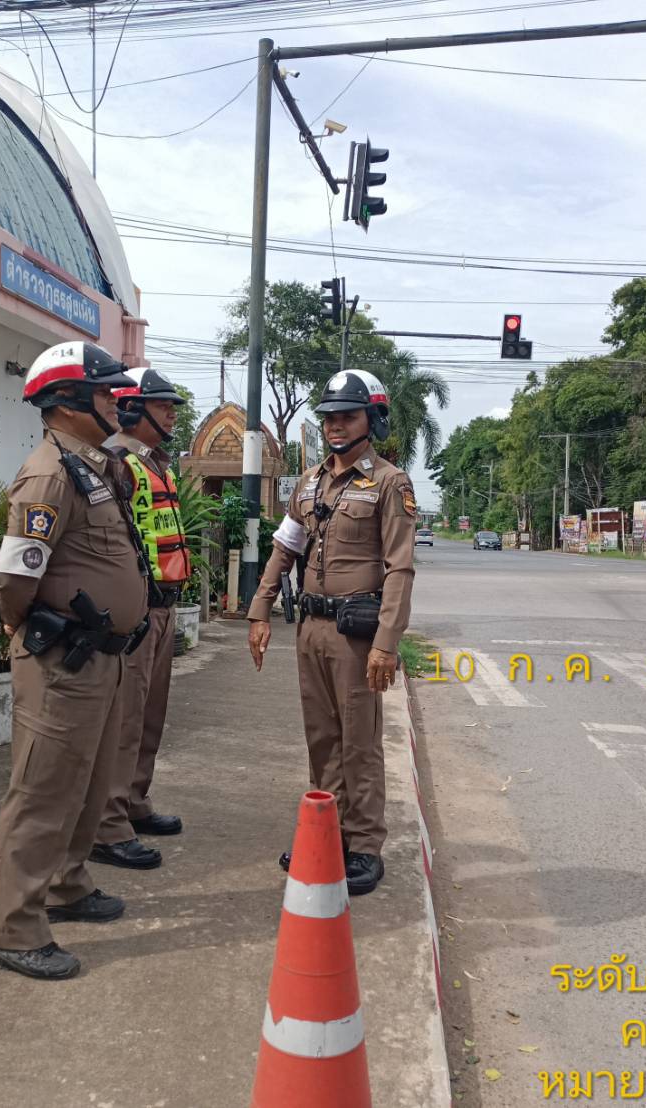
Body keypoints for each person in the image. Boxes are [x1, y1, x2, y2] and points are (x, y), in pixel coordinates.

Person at [0, 340, 150, 981]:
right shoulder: (49, 474)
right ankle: (14, 929)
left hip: (101, 657)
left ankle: (66, 884)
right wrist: (20, 624)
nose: (117, 401)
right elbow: (16, 575)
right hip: (62, 659)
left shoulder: (95, 468)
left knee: (87, 784)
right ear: (69, 399)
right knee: (43, 791)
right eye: (105, 392)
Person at [246, 370, 417, 895]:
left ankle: (364, 846)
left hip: (357, 636)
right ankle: (329, 834)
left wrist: (386, 643)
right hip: (311, 629)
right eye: (329, 417)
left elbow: (400, 569)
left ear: (372, 419)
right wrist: (259, 609)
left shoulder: (389, 483)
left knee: (358, 742)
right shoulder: (309, 482)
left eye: (348, 415)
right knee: (322, 740)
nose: (335, 425)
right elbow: (285, 548)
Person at [90, 367, 192, 870]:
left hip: (163, 606)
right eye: (162, 405)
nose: (172, 414)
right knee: (126, 719)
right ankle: (107, 825)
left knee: (150, 715)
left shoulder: (158, 464)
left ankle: (133, 800)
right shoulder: (115, 463)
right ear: (132, 408)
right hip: (136, 612)